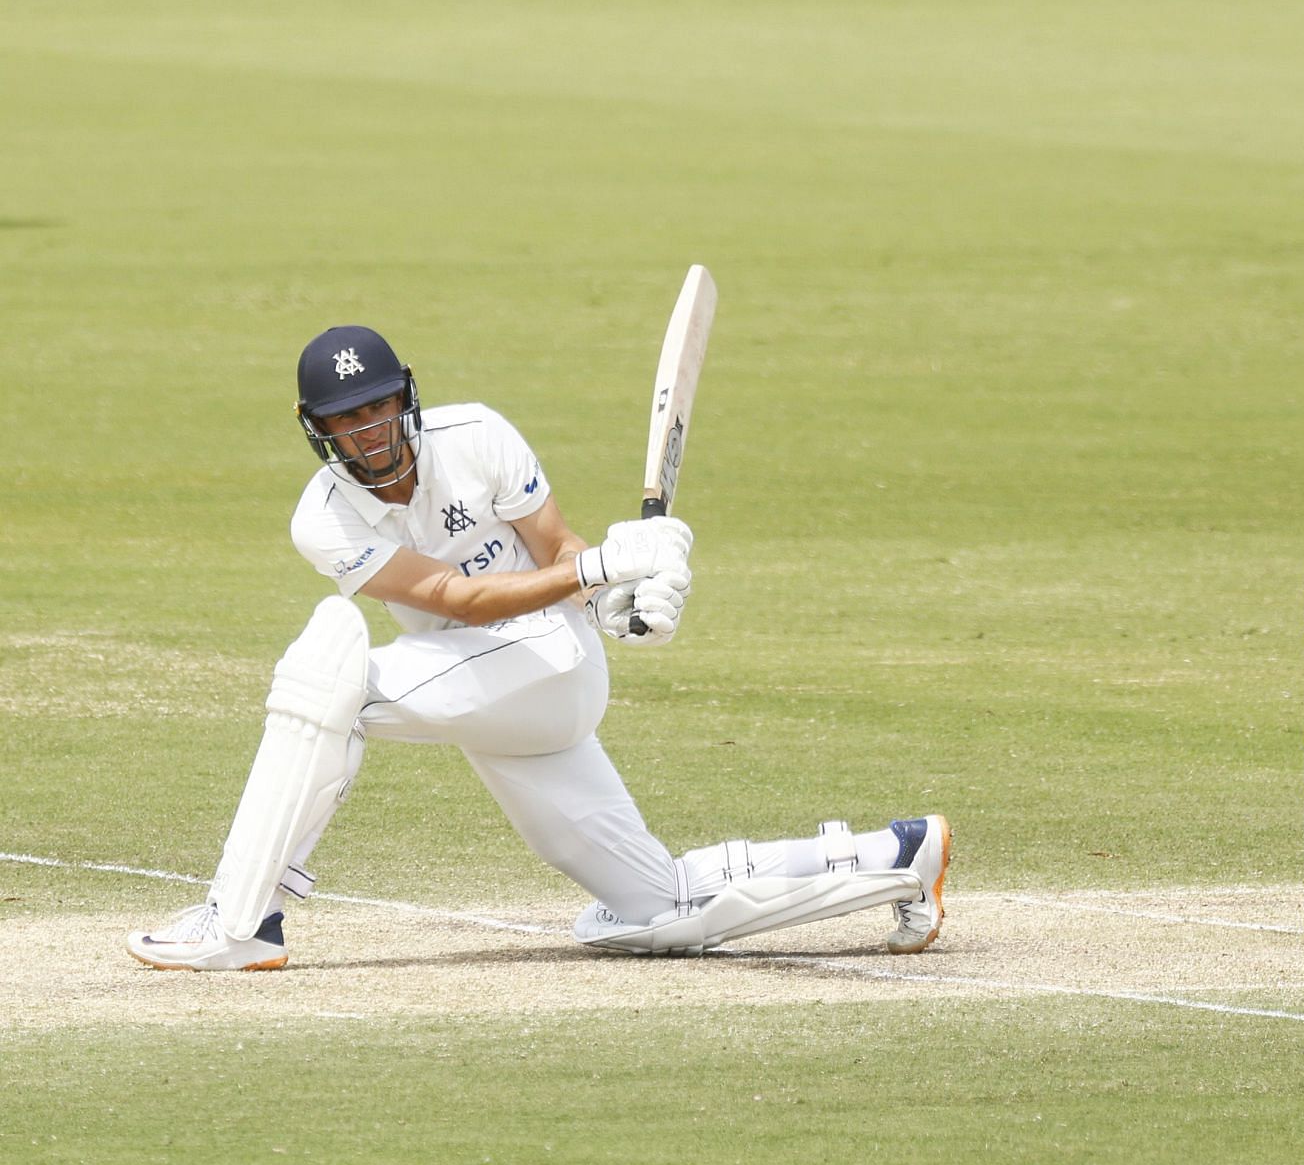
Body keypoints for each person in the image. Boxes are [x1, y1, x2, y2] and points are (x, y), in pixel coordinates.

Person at [129, 325, 951, 970]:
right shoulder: (324, 518)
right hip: (482, 688)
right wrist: (598, 571)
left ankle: (242, 919)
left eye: (377, 405)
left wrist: (621, 599)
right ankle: (898, 853)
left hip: (549, 662)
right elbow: (452, 598)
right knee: (653, 909)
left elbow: (558, 546)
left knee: (332, 679)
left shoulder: (477, 435)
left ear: (403, 397)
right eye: (345, 418)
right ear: (317, 432)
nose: (368, 430)